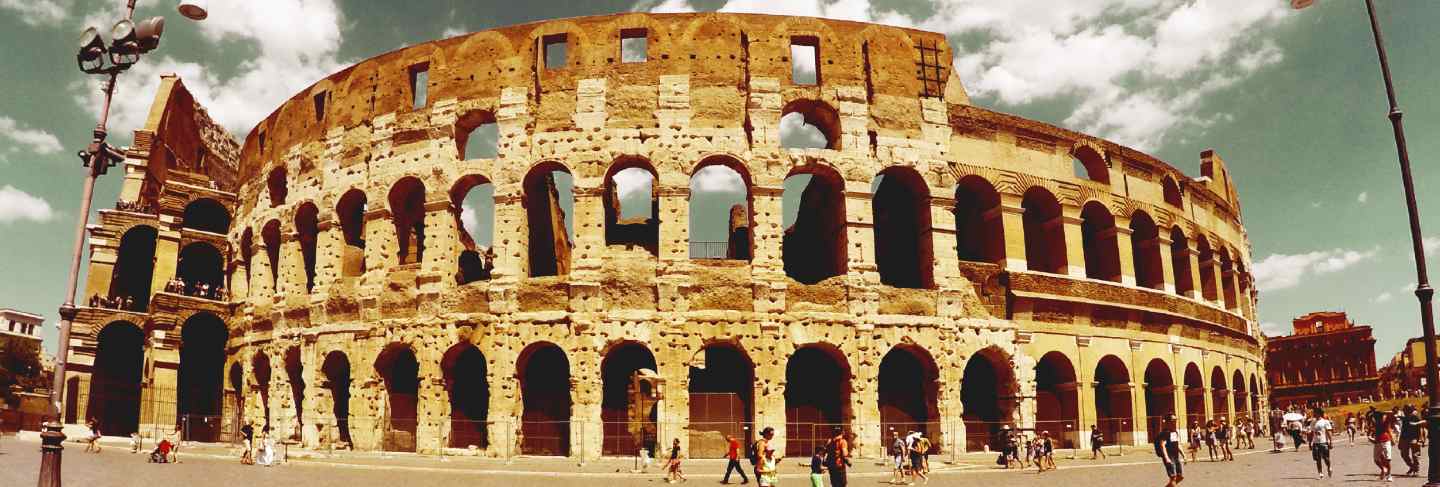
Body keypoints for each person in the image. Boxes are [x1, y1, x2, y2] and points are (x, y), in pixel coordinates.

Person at [1154, 415, 1184, 487]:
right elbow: (1162, 446)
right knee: (1173, 477)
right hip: (1169, 457)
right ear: (1168, 422)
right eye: (1173, 420)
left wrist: (1183, 454)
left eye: (1176, 420)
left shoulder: (1175, 432)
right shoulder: (1165, 433)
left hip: (1176, 456)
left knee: (1180, 476)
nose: (1175, 421)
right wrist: (1166, 458)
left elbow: (1178, 444)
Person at [1399, 405, 1423, 477]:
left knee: (1415, 455)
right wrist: (1400, 440)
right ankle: (1412, 467)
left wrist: (1420, 439)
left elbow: (1421, 428)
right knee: (1404, 454)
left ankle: (1416, 470)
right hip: (1404, 438)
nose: (1403, 411)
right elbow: (1403, 429)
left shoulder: (1415, 417)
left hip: (1414, 438)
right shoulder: (1405, 418)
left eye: (1405, 410)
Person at [1311, 407, 1334, 479]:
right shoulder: (1313, 422)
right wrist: (1310, 442)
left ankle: (1329, 467)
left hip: (1323, 442)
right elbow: (1311, 432)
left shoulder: (1325, 422)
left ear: (1319, 413)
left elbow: (1329, 432)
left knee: (1326, 458)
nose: (1314, 414)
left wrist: (1331, 441)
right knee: (1317, 459)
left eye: (1315, 412)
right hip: (1315, 443)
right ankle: (1320, 472)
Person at [1375, 412, 1396, 482]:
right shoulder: (1376, 422)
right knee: (1376, 459)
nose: (1384, 417)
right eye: (1382, 416)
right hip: (1377, 441)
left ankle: (1389, 475)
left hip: (1386, 440)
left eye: (1384, 416)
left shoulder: (1387, 421)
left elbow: (1391, 413)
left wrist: (1392, 439)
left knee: (1388, 459)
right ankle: (1384, 469)